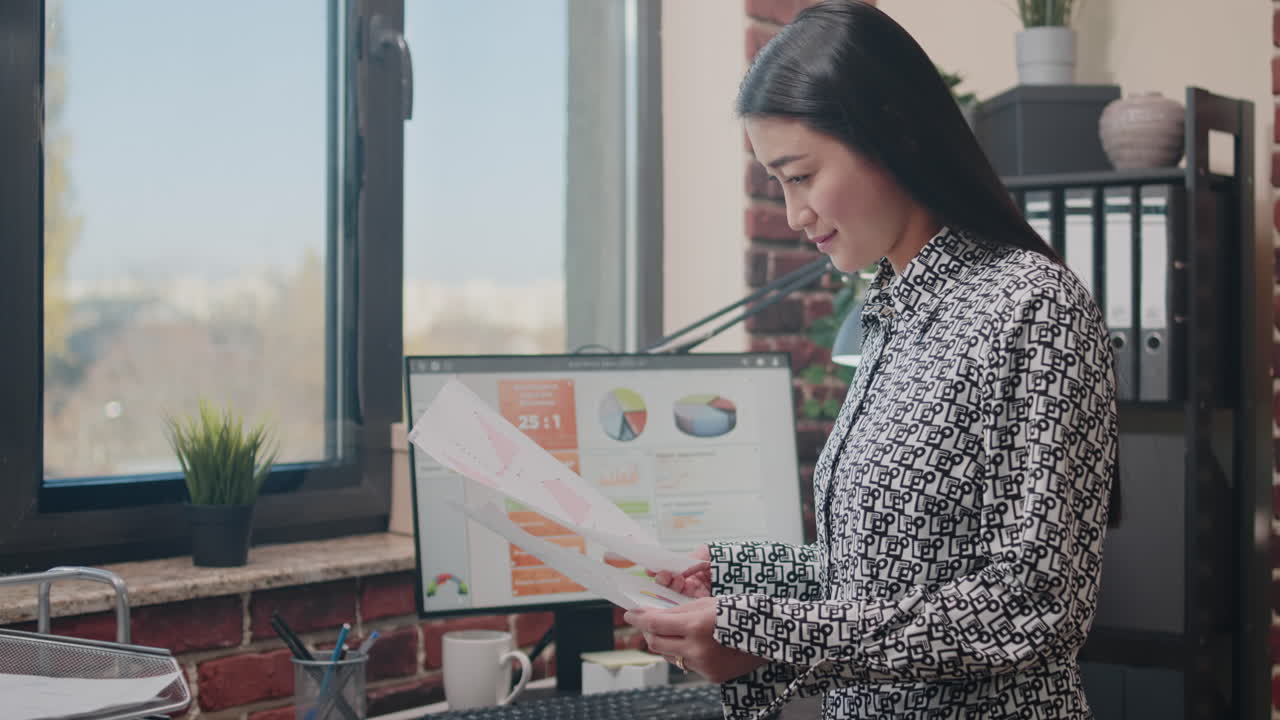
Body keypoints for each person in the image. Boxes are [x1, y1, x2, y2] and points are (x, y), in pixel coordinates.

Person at [622, 2, 1118, 719]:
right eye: (778, 185)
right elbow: (882, 573)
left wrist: (764, 630)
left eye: (800, 175)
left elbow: (1032, 606)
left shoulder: (1030, 307)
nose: (794, 215)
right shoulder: (889, 314)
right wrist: (730, 573)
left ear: (891, 136)